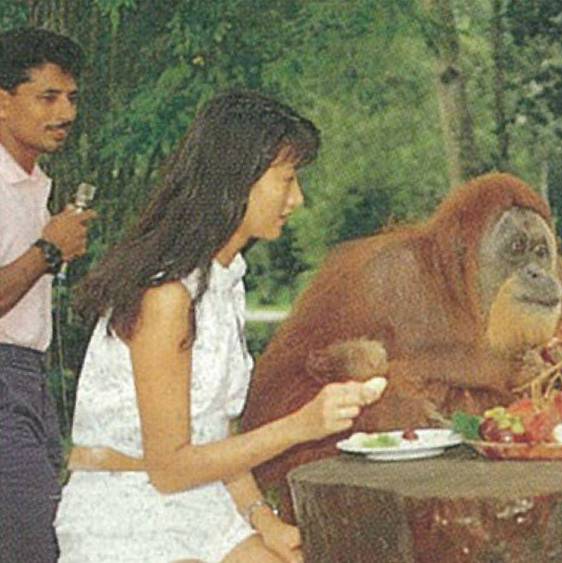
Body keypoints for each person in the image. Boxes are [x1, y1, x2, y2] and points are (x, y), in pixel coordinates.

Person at [53, 91, 385, 562]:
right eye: (287, 179)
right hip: (126, 516)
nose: (297, 199)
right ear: (238, 178)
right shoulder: (165, 296)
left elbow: (218, 436)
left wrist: (265, 521)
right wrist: (301, 426)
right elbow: (170, 469)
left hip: (205, 509)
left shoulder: (224, 282)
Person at [0, 27, 94, 562]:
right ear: (2, 103)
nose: (66, 113)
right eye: (48, 97)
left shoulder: (34, 182)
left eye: (72, 98)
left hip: (30, 377)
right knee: (32, 541)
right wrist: (48, 250)